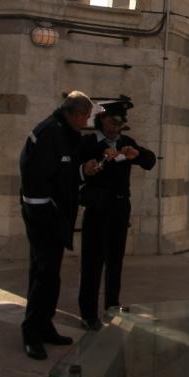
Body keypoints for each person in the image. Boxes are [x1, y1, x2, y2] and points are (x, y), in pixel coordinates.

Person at [19, 91, 100, 360]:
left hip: (53, 215)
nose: (86, 122)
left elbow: (63, 173)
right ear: (75, 114)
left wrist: (82, 171)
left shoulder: (63, 133)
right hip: (44, 216)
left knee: (50, 274)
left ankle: (44, 325)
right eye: (86, 117)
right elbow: (35, 177)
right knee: (44, 274)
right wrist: (48, 212)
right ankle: (32, 333)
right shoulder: (50, 133)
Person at [78, 98, 156, 330]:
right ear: (102, 119)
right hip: (97, 209)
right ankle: (88, 313)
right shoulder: (88, 143)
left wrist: (136, 155)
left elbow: (149, 161)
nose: (116, 128)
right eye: (113, 123)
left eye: (120, 124)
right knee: (92, 262)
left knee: (115, 261)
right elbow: (74, 171)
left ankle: (112, 306)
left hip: (120, 208)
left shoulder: (125, 143)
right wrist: (92, 165)